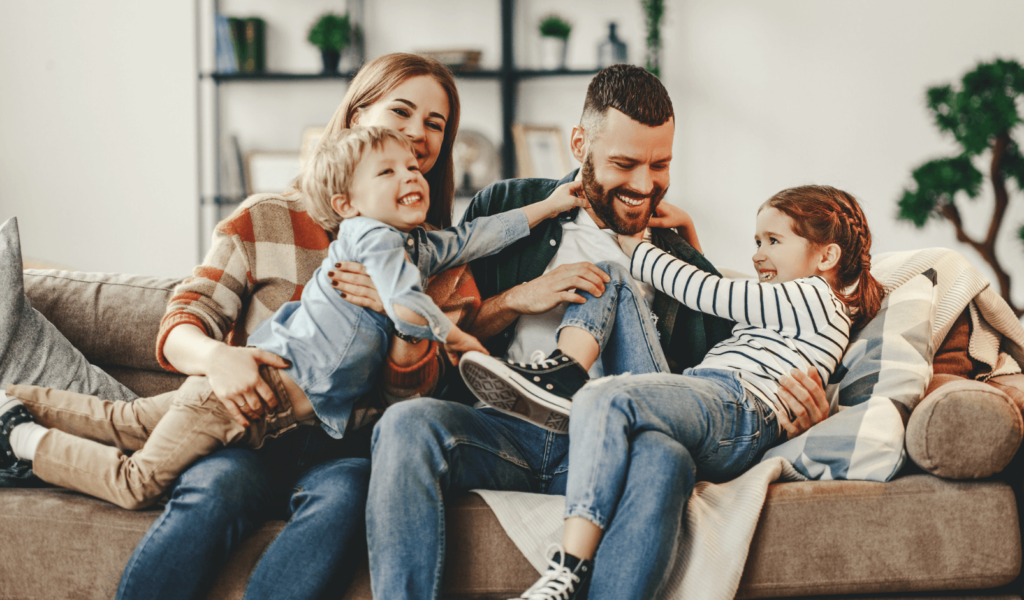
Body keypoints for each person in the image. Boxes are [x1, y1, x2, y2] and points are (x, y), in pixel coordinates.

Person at [361, 64, 834, 600]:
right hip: (507, 430)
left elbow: (721, 378)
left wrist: (796, 415)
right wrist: (517, 299)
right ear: (580, 143)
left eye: (660, 165)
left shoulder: (673, 251)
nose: (643, 185)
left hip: (616, 442)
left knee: (667, 457)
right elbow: (445, 329)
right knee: (406, 425)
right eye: (624, 163)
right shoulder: (508, 205)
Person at [9, 53, 464, 600]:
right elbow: (185, 319)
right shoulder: (268, 214)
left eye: (434, 125)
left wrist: (404, 326)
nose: (417, 134)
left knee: (345, 498)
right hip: (245, 431)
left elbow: (406, 399)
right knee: (213, 488)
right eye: (402, 112)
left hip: (339, 446)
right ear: (357, 115)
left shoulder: (429, 254)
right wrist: (216, 359)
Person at [0, 125, 583, 510]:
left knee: (122, 419)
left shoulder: (416, 247)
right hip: (243, 396)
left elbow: (477, 235)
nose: (411, 176)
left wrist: (551, 205)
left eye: (414, 167)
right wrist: (461, 341)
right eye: (389, 172)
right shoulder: (370, 237)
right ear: (346, 205)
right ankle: (23, 439)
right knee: (136, 483)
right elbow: (406, 303)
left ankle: (8, 396)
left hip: (264, 414)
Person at [502, 184, 884, 599]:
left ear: (827, 256)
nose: (757, 253)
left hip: (738, 404)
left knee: (605, 396)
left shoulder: (814, 296)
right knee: (610, 278)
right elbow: (722, 305)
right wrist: (686, 229)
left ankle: (567, 569)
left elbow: (709, 293)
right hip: (708, 396)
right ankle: (563, 374)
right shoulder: (789, 309)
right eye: (757, 241)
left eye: (774, 241)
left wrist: (636, 244)